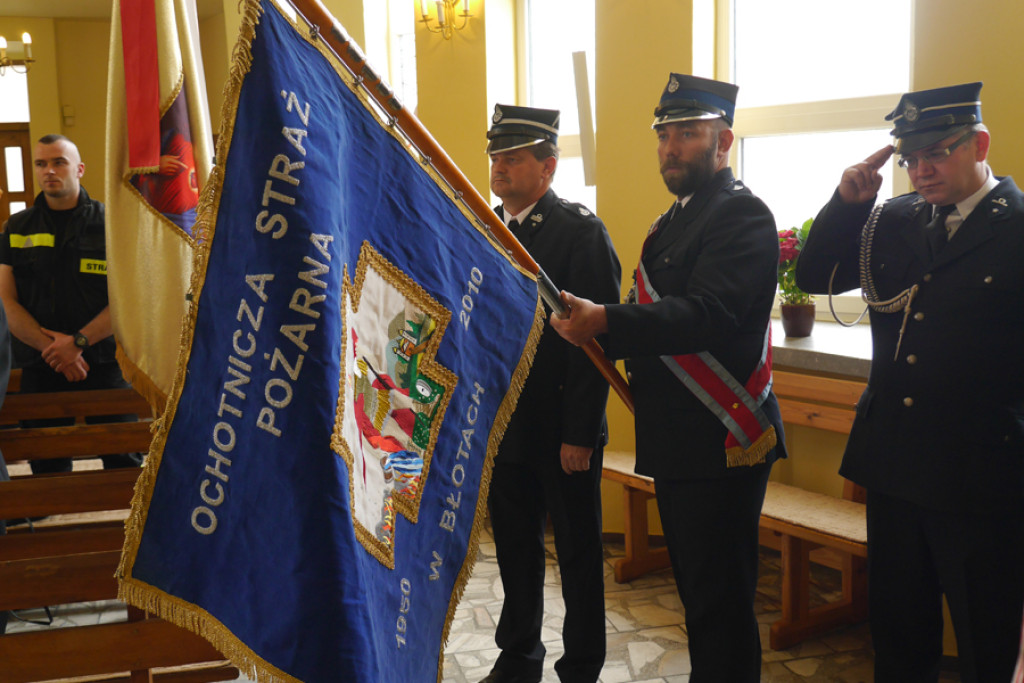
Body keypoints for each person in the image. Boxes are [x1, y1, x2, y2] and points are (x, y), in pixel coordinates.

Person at [550, 74, 786, 682]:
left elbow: (709, 314)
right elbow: (657, 314)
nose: (671, 147)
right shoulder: (675, 220)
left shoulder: (740, 214)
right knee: (699, 597)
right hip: (680, 439)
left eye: (687, 134)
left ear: (723, 141)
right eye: (664, 136)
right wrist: (599, 324)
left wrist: (606, 320)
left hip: (721, 436)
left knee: (720, 602)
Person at [794, 82, 1024, 683]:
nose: (921, 171)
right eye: (910, 158)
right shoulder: (892, 219)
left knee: (986, 637)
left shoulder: (1018, 228)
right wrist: (847, 204)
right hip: (894, 463)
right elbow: (816, 276)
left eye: (936, 154)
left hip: (982, 475)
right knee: (898, 633)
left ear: (979, 145)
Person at [481, 104, 621, 683]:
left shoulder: (579, 232)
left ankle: (582, 666)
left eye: (513, 158)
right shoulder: (487, 228)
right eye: (496, 156)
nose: (499, 167)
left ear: (548, 167)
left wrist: (579, 433)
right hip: (506, 424)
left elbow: (595, 346)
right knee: (515, 548)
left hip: (562, 426)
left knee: (578, 553)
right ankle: (518, 657)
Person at [0, 134, 142, 477]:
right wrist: (53, 349)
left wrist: (77, 343)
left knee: (123, 462)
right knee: (47, 466)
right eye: (41, 163)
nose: (49, 170)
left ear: (79, 169)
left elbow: (127, 297)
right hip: (41, 365)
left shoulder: (112, 223)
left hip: (103, 362)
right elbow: (5, 300)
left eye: (58, 162)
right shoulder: (16, 227)